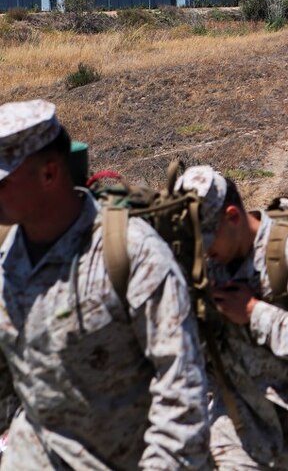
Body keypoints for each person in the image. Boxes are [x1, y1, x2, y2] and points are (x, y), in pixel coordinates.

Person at [0, 99, 210, 467]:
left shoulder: (131, 254)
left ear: (49, 174)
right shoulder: (8, 262)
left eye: (3, 181)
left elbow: (181, 393)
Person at [176, 166, 288, 469]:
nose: (204, 251)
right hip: (242, 425)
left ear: (232, 216)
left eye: (208, 237)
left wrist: (253, 313)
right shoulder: (205, 268)